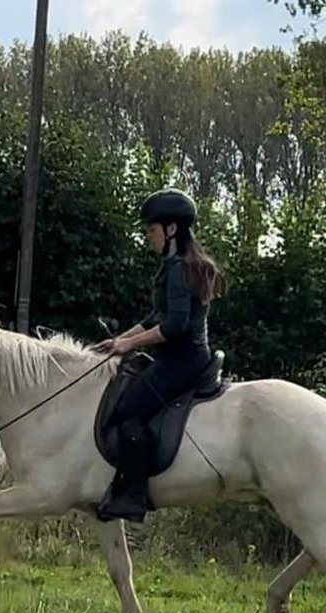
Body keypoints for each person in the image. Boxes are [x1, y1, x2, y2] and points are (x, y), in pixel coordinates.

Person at [93, 187, 226, 523]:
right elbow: (155, 319)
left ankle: (133, 495)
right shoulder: (177, 266)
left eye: (151, 230)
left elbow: (176, 326)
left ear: (171, 230)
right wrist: (118, 340)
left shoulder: (181, 268)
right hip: (180, 357)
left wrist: (130, 345)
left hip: (185, 359)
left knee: (128, 411)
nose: (148, 237)